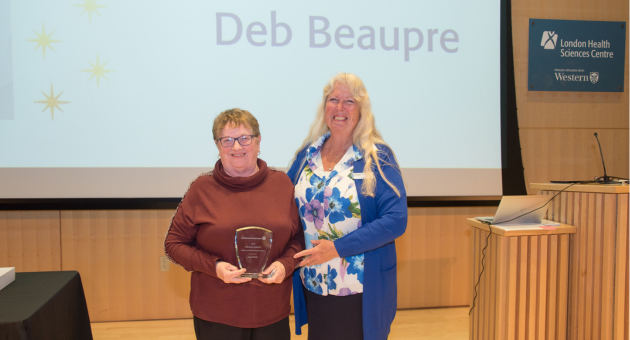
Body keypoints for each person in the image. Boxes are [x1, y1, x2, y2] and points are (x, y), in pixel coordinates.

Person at [164, 108, 304, 340]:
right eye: (227, 140)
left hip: (272, 312)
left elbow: (298, 237)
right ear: (218, 147)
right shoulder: (201, 189)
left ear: (258, 142)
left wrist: (286, 264)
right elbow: (174, 244)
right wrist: (214, 267)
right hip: (216, 313)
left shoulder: (281, 184)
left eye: (244, 138)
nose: (236, 147)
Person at [287, 73, 408, 340]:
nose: (340, 108)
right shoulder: (308, 154)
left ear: (362, 110)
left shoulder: (377, 157)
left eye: (349, 101)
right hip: (315, 283)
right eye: (334, 100)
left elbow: (396, 219)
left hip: (360, 288)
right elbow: (281, 203)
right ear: (324, 107)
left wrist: (337, 248)